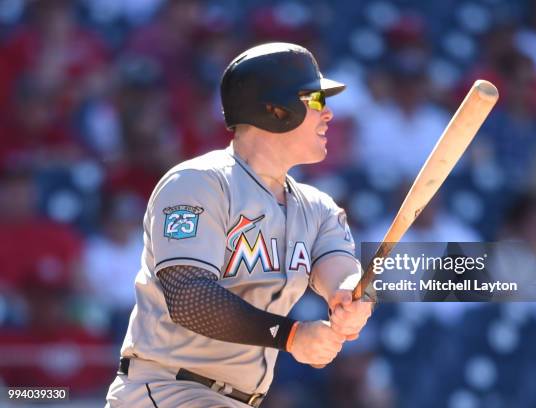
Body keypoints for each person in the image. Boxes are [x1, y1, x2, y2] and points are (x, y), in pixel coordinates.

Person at [105, 42, 372, 407]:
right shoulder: (198, 183)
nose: (327, 114)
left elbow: (338, 267)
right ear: (277, 110)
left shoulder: (318, 206)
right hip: (168, 388)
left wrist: (350, 297)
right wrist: (293, 337)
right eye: (314, 100)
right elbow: (189, 297)